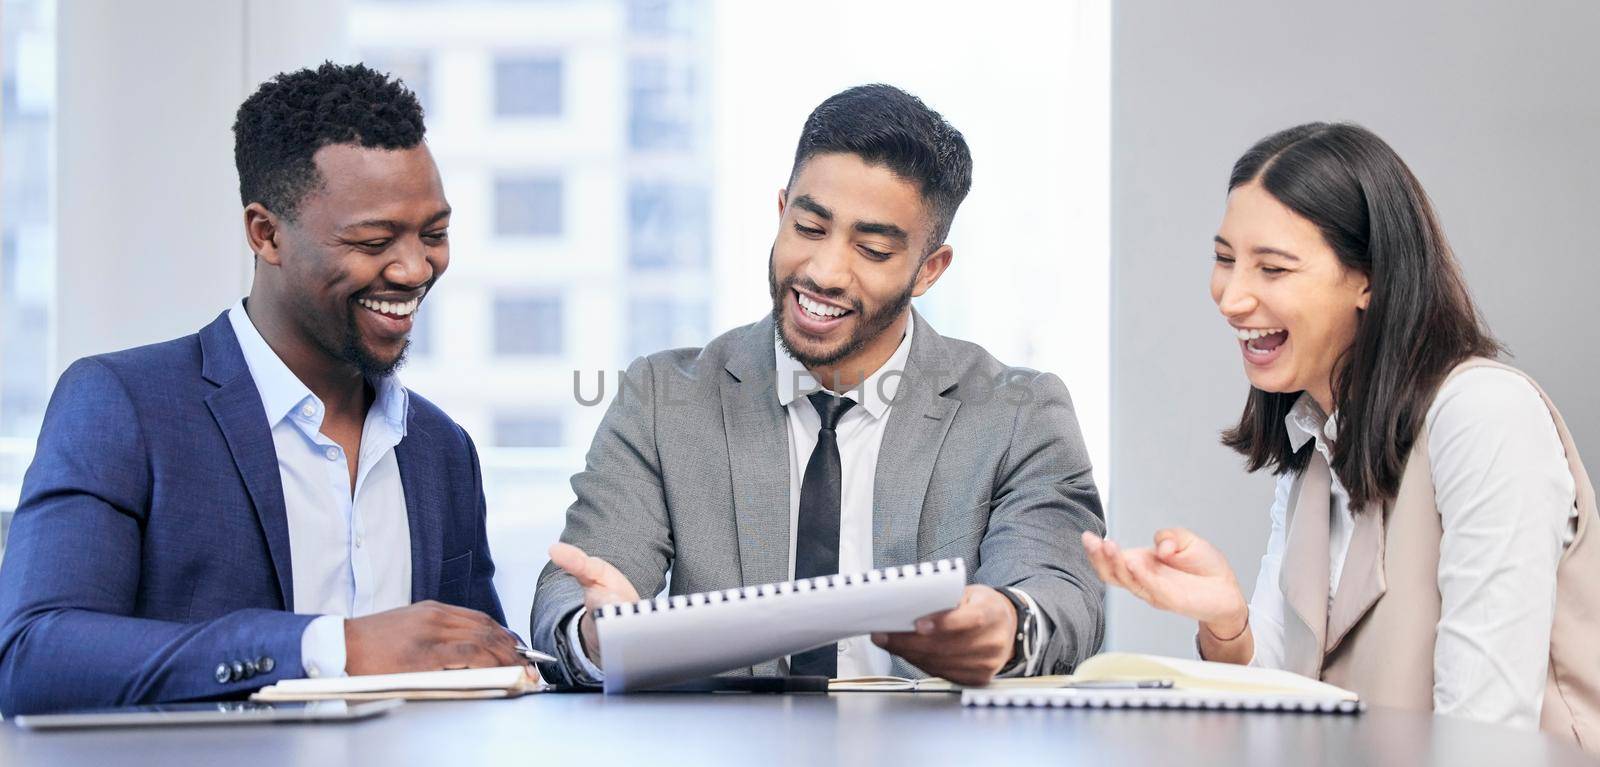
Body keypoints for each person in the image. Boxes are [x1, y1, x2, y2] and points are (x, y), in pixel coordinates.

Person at [531, 84, 1105, 688]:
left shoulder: (1020, 413)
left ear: (929, 269)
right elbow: (573, 589)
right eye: (808, 227)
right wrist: (601, 636)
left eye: (873, 249)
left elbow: (1062, 596)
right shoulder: (660, 399)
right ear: (782, 211)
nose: (825, 272)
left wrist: (1007, 627)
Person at [0, 63, 522, 716]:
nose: (416, 267)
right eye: (373, 240)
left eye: (435, 234)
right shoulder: (122, 406)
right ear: (266, 233)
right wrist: (333, 645)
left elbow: (474, 664)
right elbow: (34, 656)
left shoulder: (442, 450)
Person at [1083, 122, 1600, 747]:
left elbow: (1482, 733)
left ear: (1369, 279)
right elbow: (1289, 699)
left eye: (1272, 268)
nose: (1231, 297)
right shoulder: (1315, 443)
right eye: (1224, 260)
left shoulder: (1484, 414)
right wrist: (1226, 624)